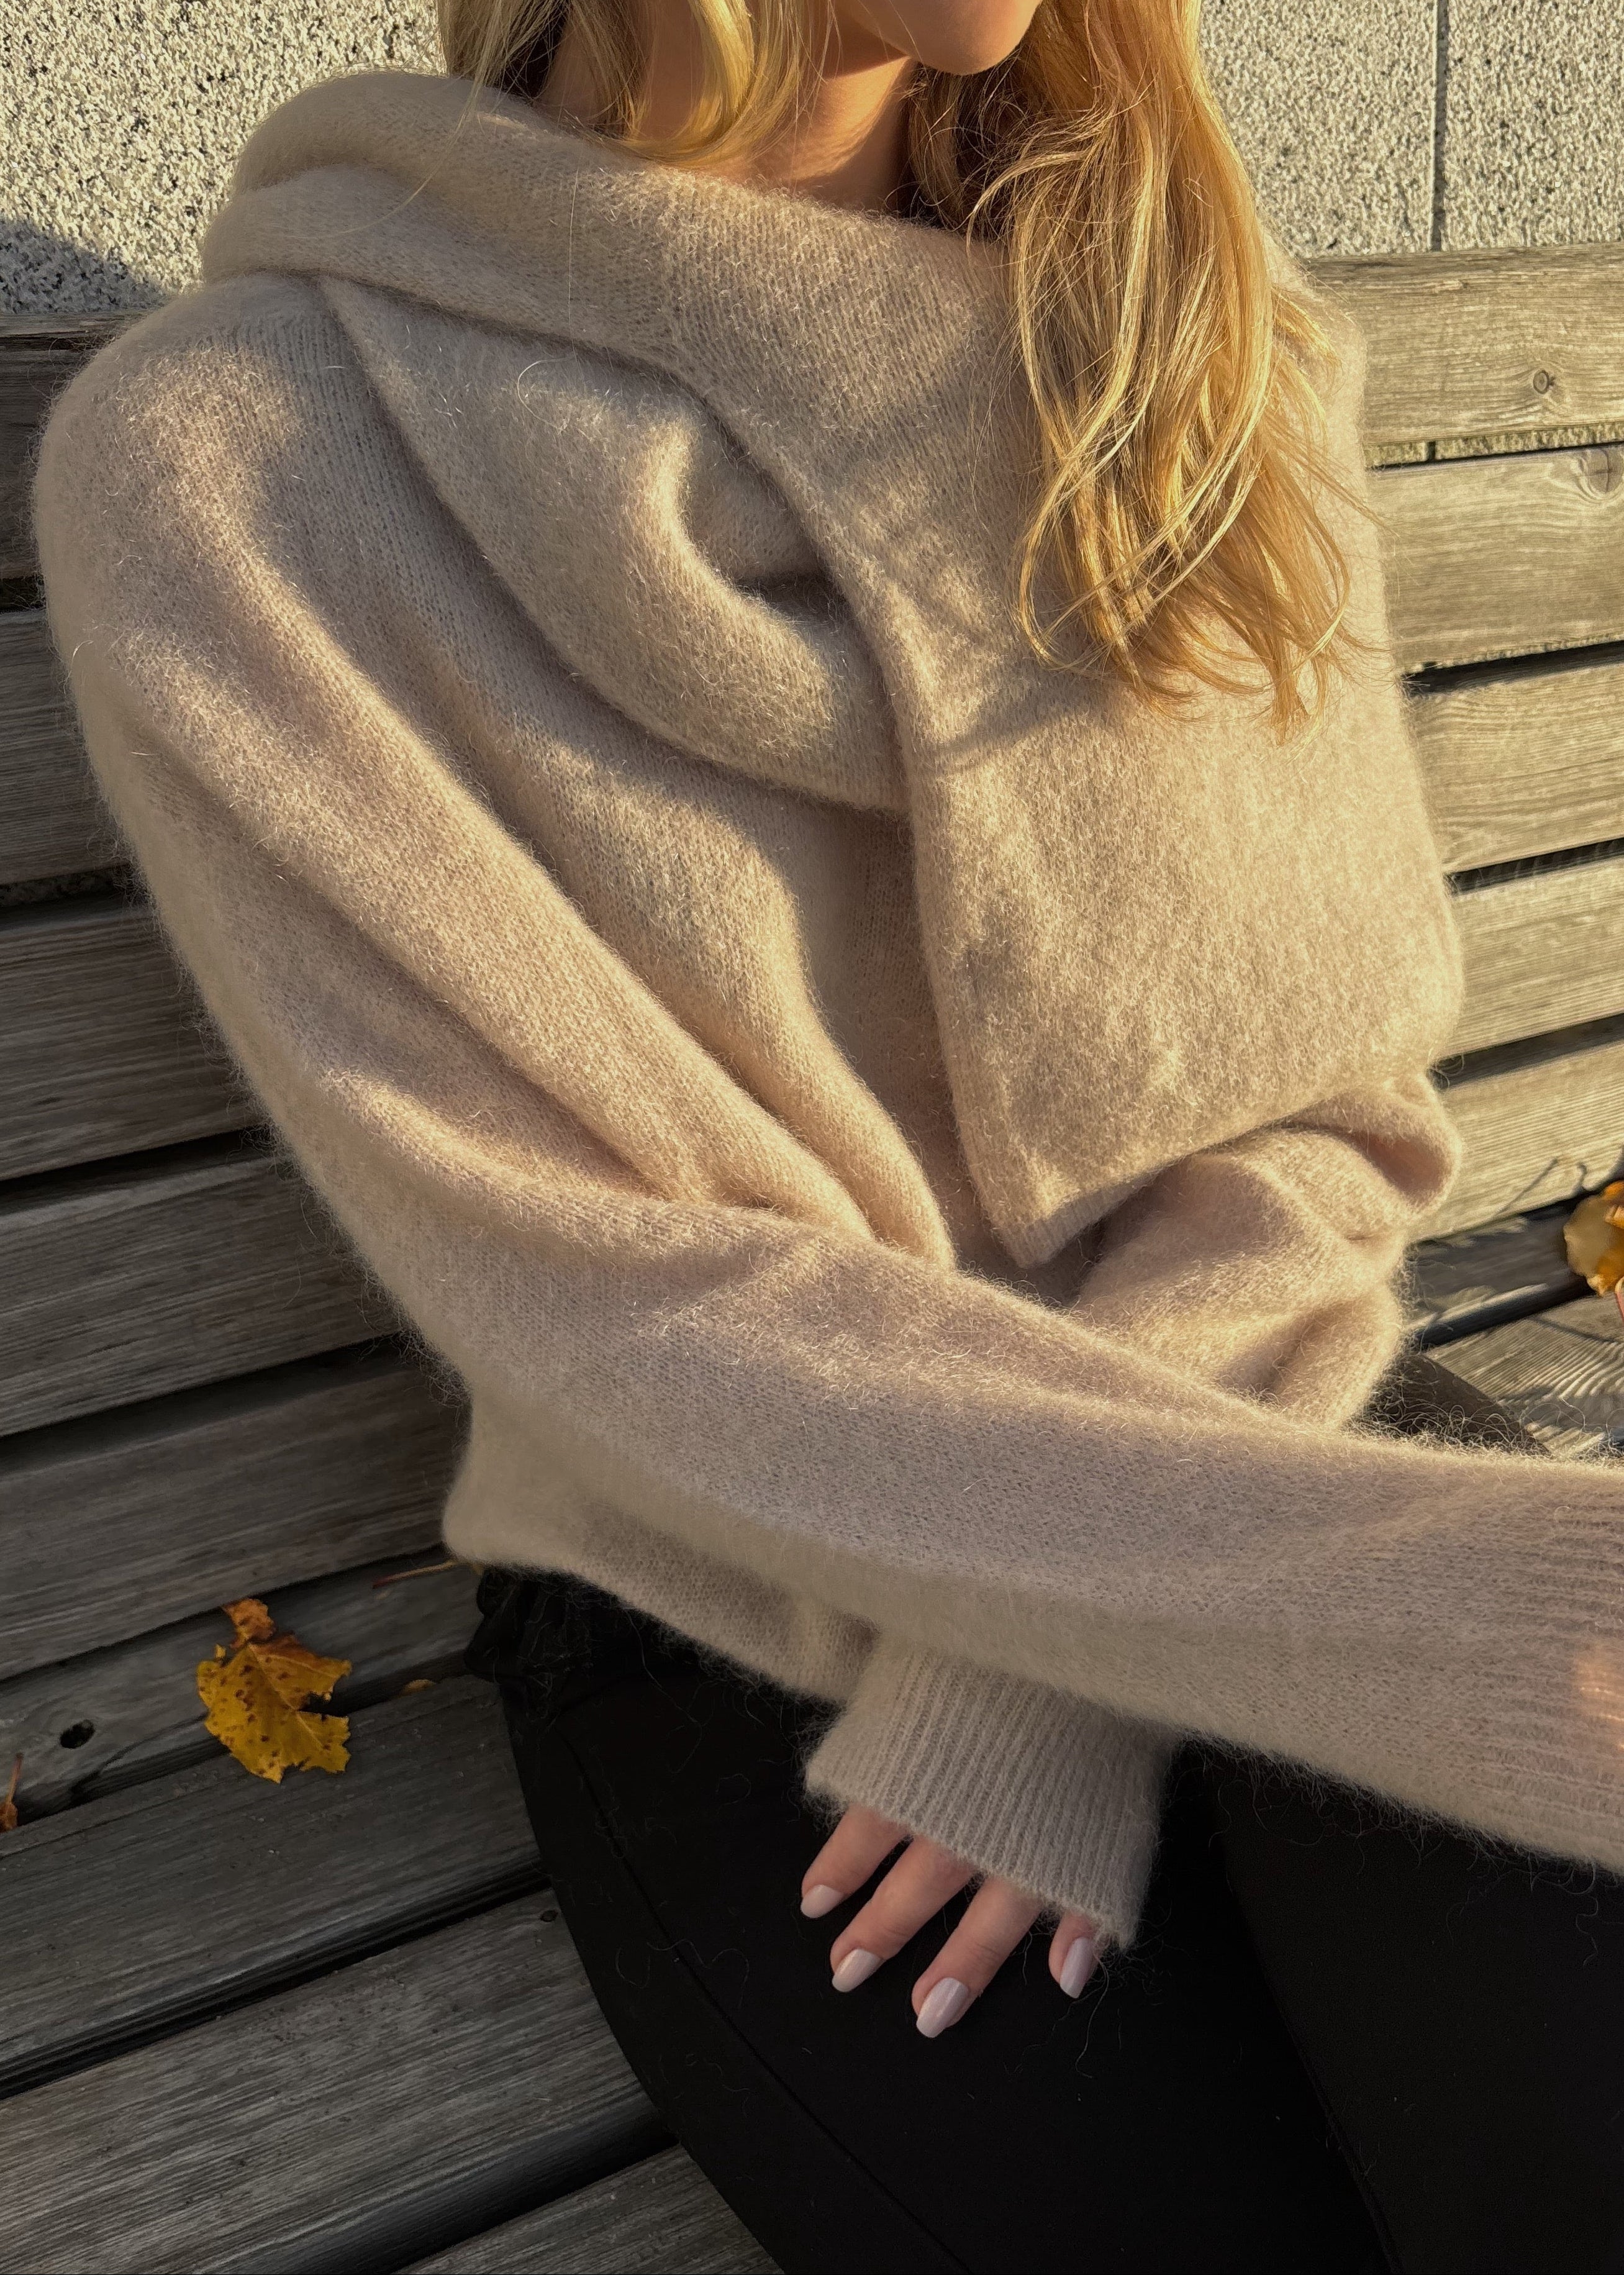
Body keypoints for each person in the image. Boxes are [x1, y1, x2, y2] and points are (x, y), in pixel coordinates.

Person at [30, 0, 1624, 2266]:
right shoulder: (243, 462)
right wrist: (1137, 1631)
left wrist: (1069, 1654)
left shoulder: (1177, 350)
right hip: (754, 1587)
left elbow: (1318, 1124)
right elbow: (593, 1288)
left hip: (1285, 1418)